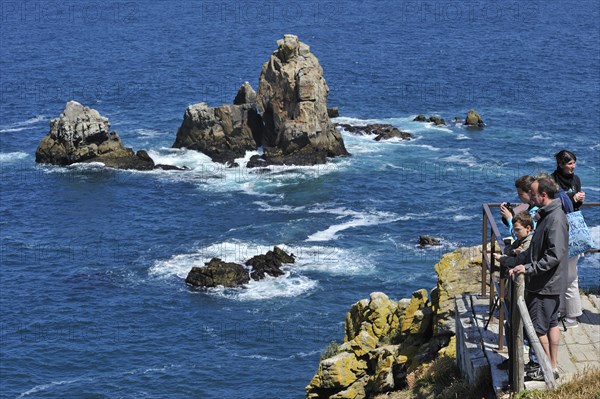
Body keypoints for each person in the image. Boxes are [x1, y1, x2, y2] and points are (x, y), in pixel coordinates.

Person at [508, 175, 568, 381]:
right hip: (550, 282)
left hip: (545, 284)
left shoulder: (555, 218)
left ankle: (547, 368)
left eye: (533, 194)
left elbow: (554, 255)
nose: (530, 198)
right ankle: (551, 366)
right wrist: (519, 262)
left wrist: (528, 268)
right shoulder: (548, 214)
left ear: (544, 195)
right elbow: (537, 248)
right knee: (551, 324)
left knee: (536, 328)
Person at [551, 150, 584, 328]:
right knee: (559, 272)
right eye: (570, 163)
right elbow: (555, 202)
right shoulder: (552, 181)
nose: (573, 166)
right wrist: (573, 197)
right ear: (561, 164)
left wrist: (579, 199)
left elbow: (575, 206)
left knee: (571, 273)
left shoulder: (576, 180)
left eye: (574, 163)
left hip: (573, 230)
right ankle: (561, 310)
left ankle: (572, 314)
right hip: (559, 228)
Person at [500, 175, 538, 240]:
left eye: (520, 194)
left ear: (530, 192)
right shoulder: (531, 208)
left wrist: (509, 218)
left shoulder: (535, 213)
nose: (518, 197)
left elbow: (519, 236)